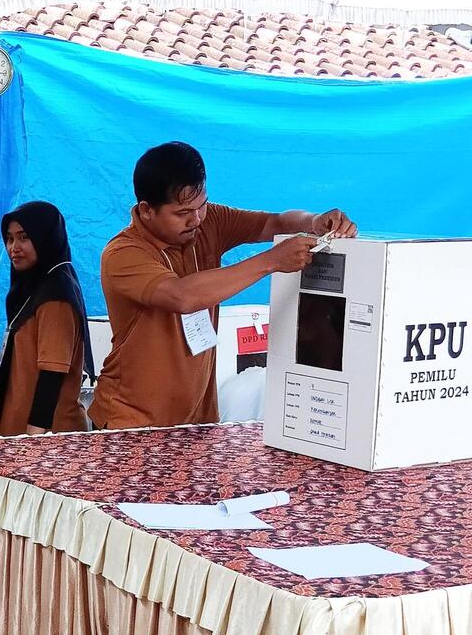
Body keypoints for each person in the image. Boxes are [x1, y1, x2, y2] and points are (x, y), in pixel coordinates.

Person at [89, 141, 357, 429]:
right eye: (182, 213)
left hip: (197, 421)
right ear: (146, 210)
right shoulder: (123, 254)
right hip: (131, 421)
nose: (196, 219)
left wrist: (314, 221)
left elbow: (273, 223)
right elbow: (182, 296)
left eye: (201, 205)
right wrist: (271, 261)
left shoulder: (209, 221)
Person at [0, 201, 94, 436]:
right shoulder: (35, 287)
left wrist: (34, 438)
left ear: (45, 238)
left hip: (46, 439)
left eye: (24, 237)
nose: (13, 247)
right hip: (19, 434)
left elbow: (52, 372)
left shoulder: (56, 294)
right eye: (9, 238)